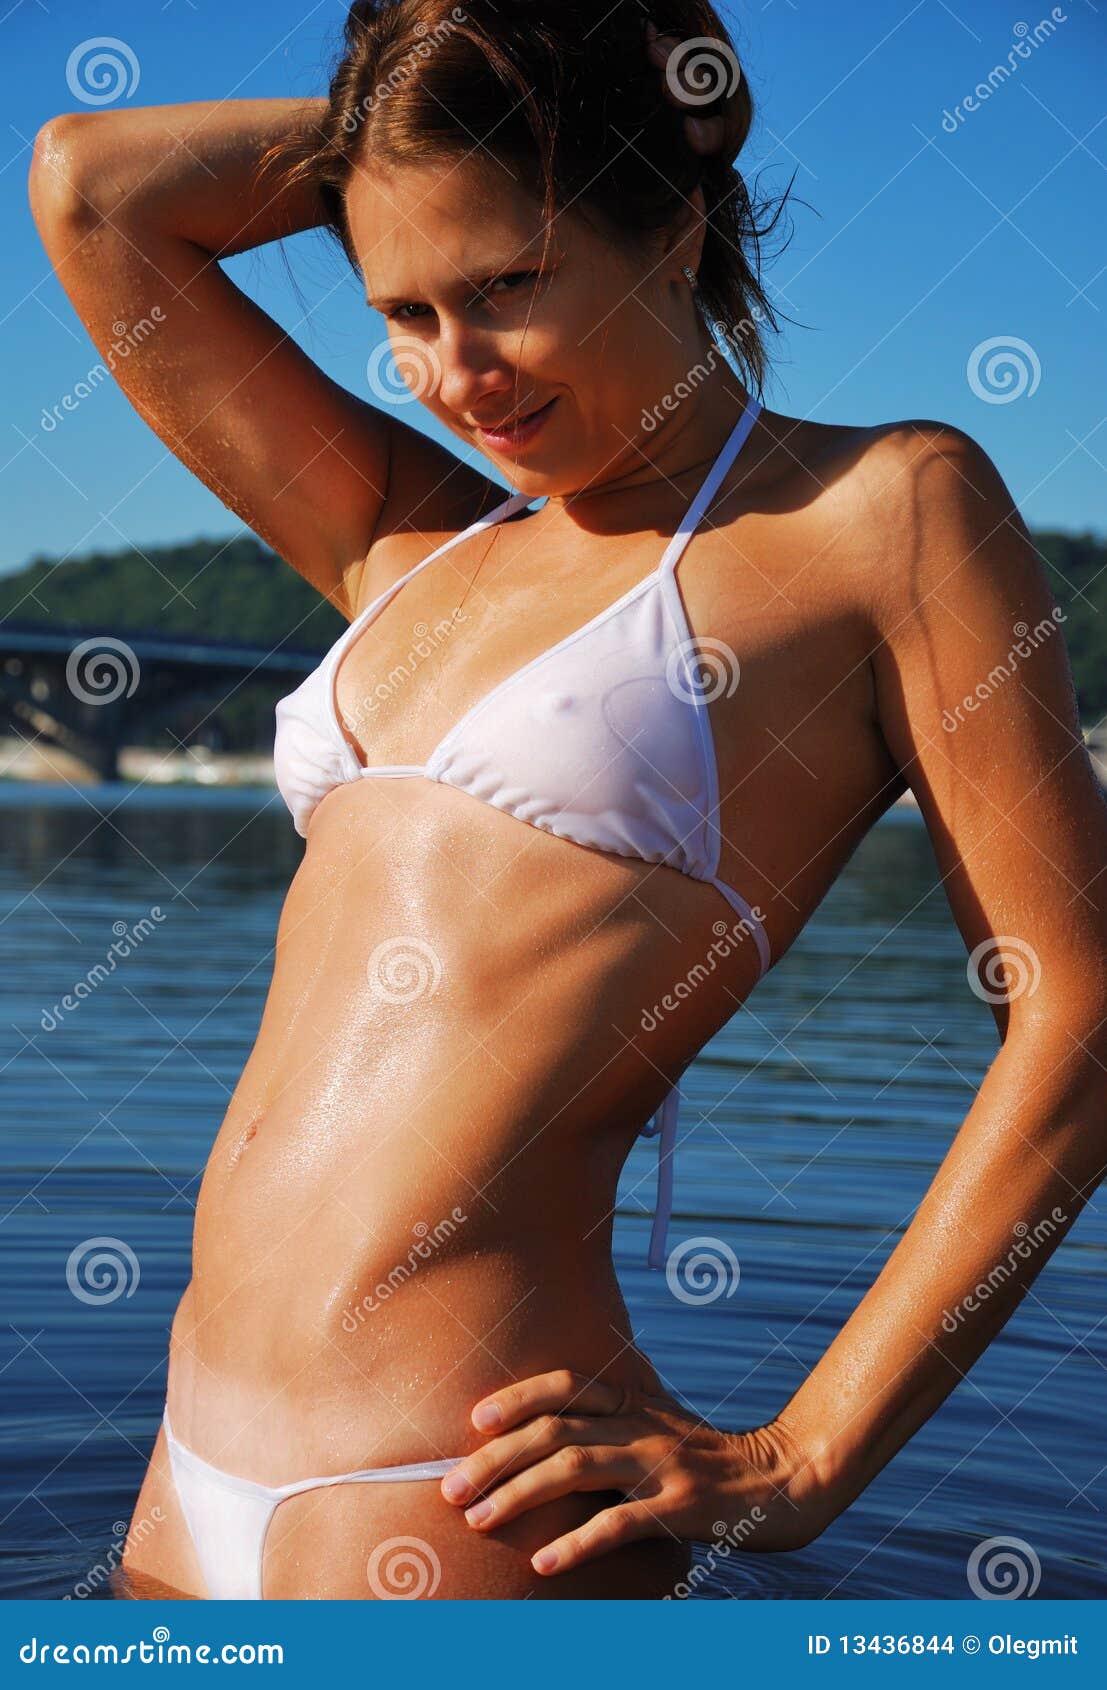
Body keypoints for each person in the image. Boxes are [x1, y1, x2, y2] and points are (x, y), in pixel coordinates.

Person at [29, 0, 1107, 1601]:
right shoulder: (407, 536)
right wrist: (414, 112)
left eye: (505, 287)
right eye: (400, 306)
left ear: (669, 228)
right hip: (182, 1492)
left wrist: (803, 1455)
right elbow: (88, 187)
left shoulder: (877, 516)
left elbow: (1078, 1009)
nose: (451, 373)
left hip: (461, 1487)